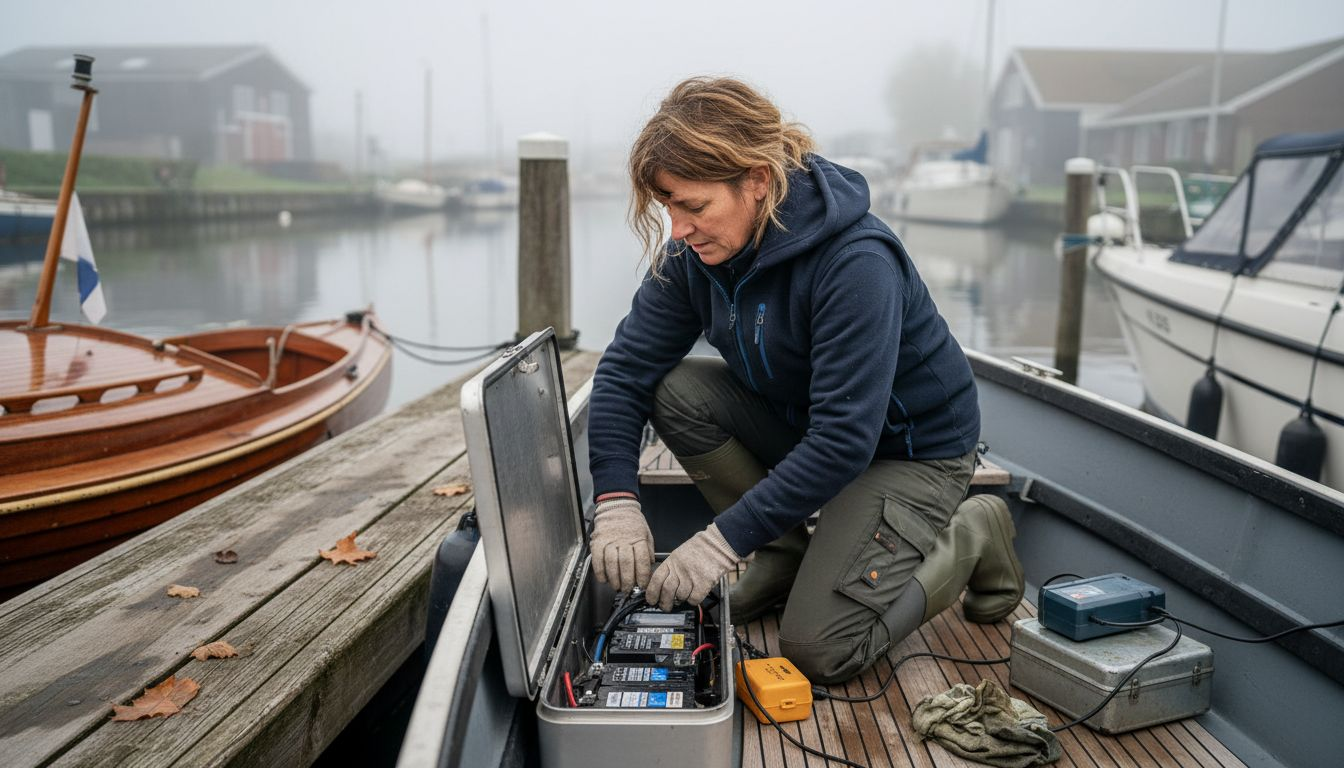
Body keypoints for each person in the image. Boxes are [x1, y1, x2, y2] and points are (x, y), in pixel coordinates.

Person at [586, 76, 1024, 685]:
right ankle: (783, 554)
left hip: (908, 451)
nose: (679, 229)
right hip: (806, 423)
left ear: (757, 181)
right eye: (669, 208)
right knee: (674, 388)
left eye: (695, 207)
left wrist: (718, 544)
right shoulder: (697, 256)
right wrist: (615, 502)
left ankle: (973, 532)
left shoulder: (857, 262)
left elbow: (845, 440)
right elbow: (624, 371)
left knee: (821, 649)